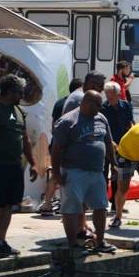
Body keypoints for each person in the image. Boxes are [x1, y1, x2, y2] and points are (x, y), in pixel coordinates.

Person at [0, 74, 38, 260]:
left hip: (13, 166)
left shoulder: (19, 111)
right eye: (20, 92)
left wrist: (33, 163)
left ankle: (0, 242)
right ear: (10, 91)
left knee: (8, 205)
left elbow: (25, 139)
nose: (22, 95)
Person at [51, 91, 117, 252]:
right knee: (72, 208)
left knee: (101, 206)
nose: (100, 108)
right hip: (74, 171)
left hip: (96, 171)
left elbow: (108, 143)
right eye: (98, 104)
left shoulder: (101, 119)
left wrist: (114, 164)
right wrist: (56, 173)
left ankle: (100, 241)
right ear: (86, 102)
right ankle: (73, 243)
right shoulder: (67, 121)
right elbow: (56, 149)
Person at [38, 77, 82, 216]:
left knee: (56, 173)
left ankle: (47, 203)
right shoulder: (79, 103)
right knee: (71, 175)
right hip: (70, 145)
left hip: (57, 143)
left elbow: (53, 126)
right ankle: (68, 206)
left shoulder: (59, 103)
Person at [101, 81, 134, 212]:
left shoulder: (125, 106)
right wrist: (110, 142)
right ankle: (102, 203)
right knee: (103, 174)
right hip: (106, 144)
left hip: (122, 145)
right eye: (107, 94)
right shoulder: (103, 108)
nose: (109, 98)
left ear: (118, 94)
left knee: (118, 174)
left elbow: (129, 124)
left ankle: (116, 204)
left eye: (111, 95)